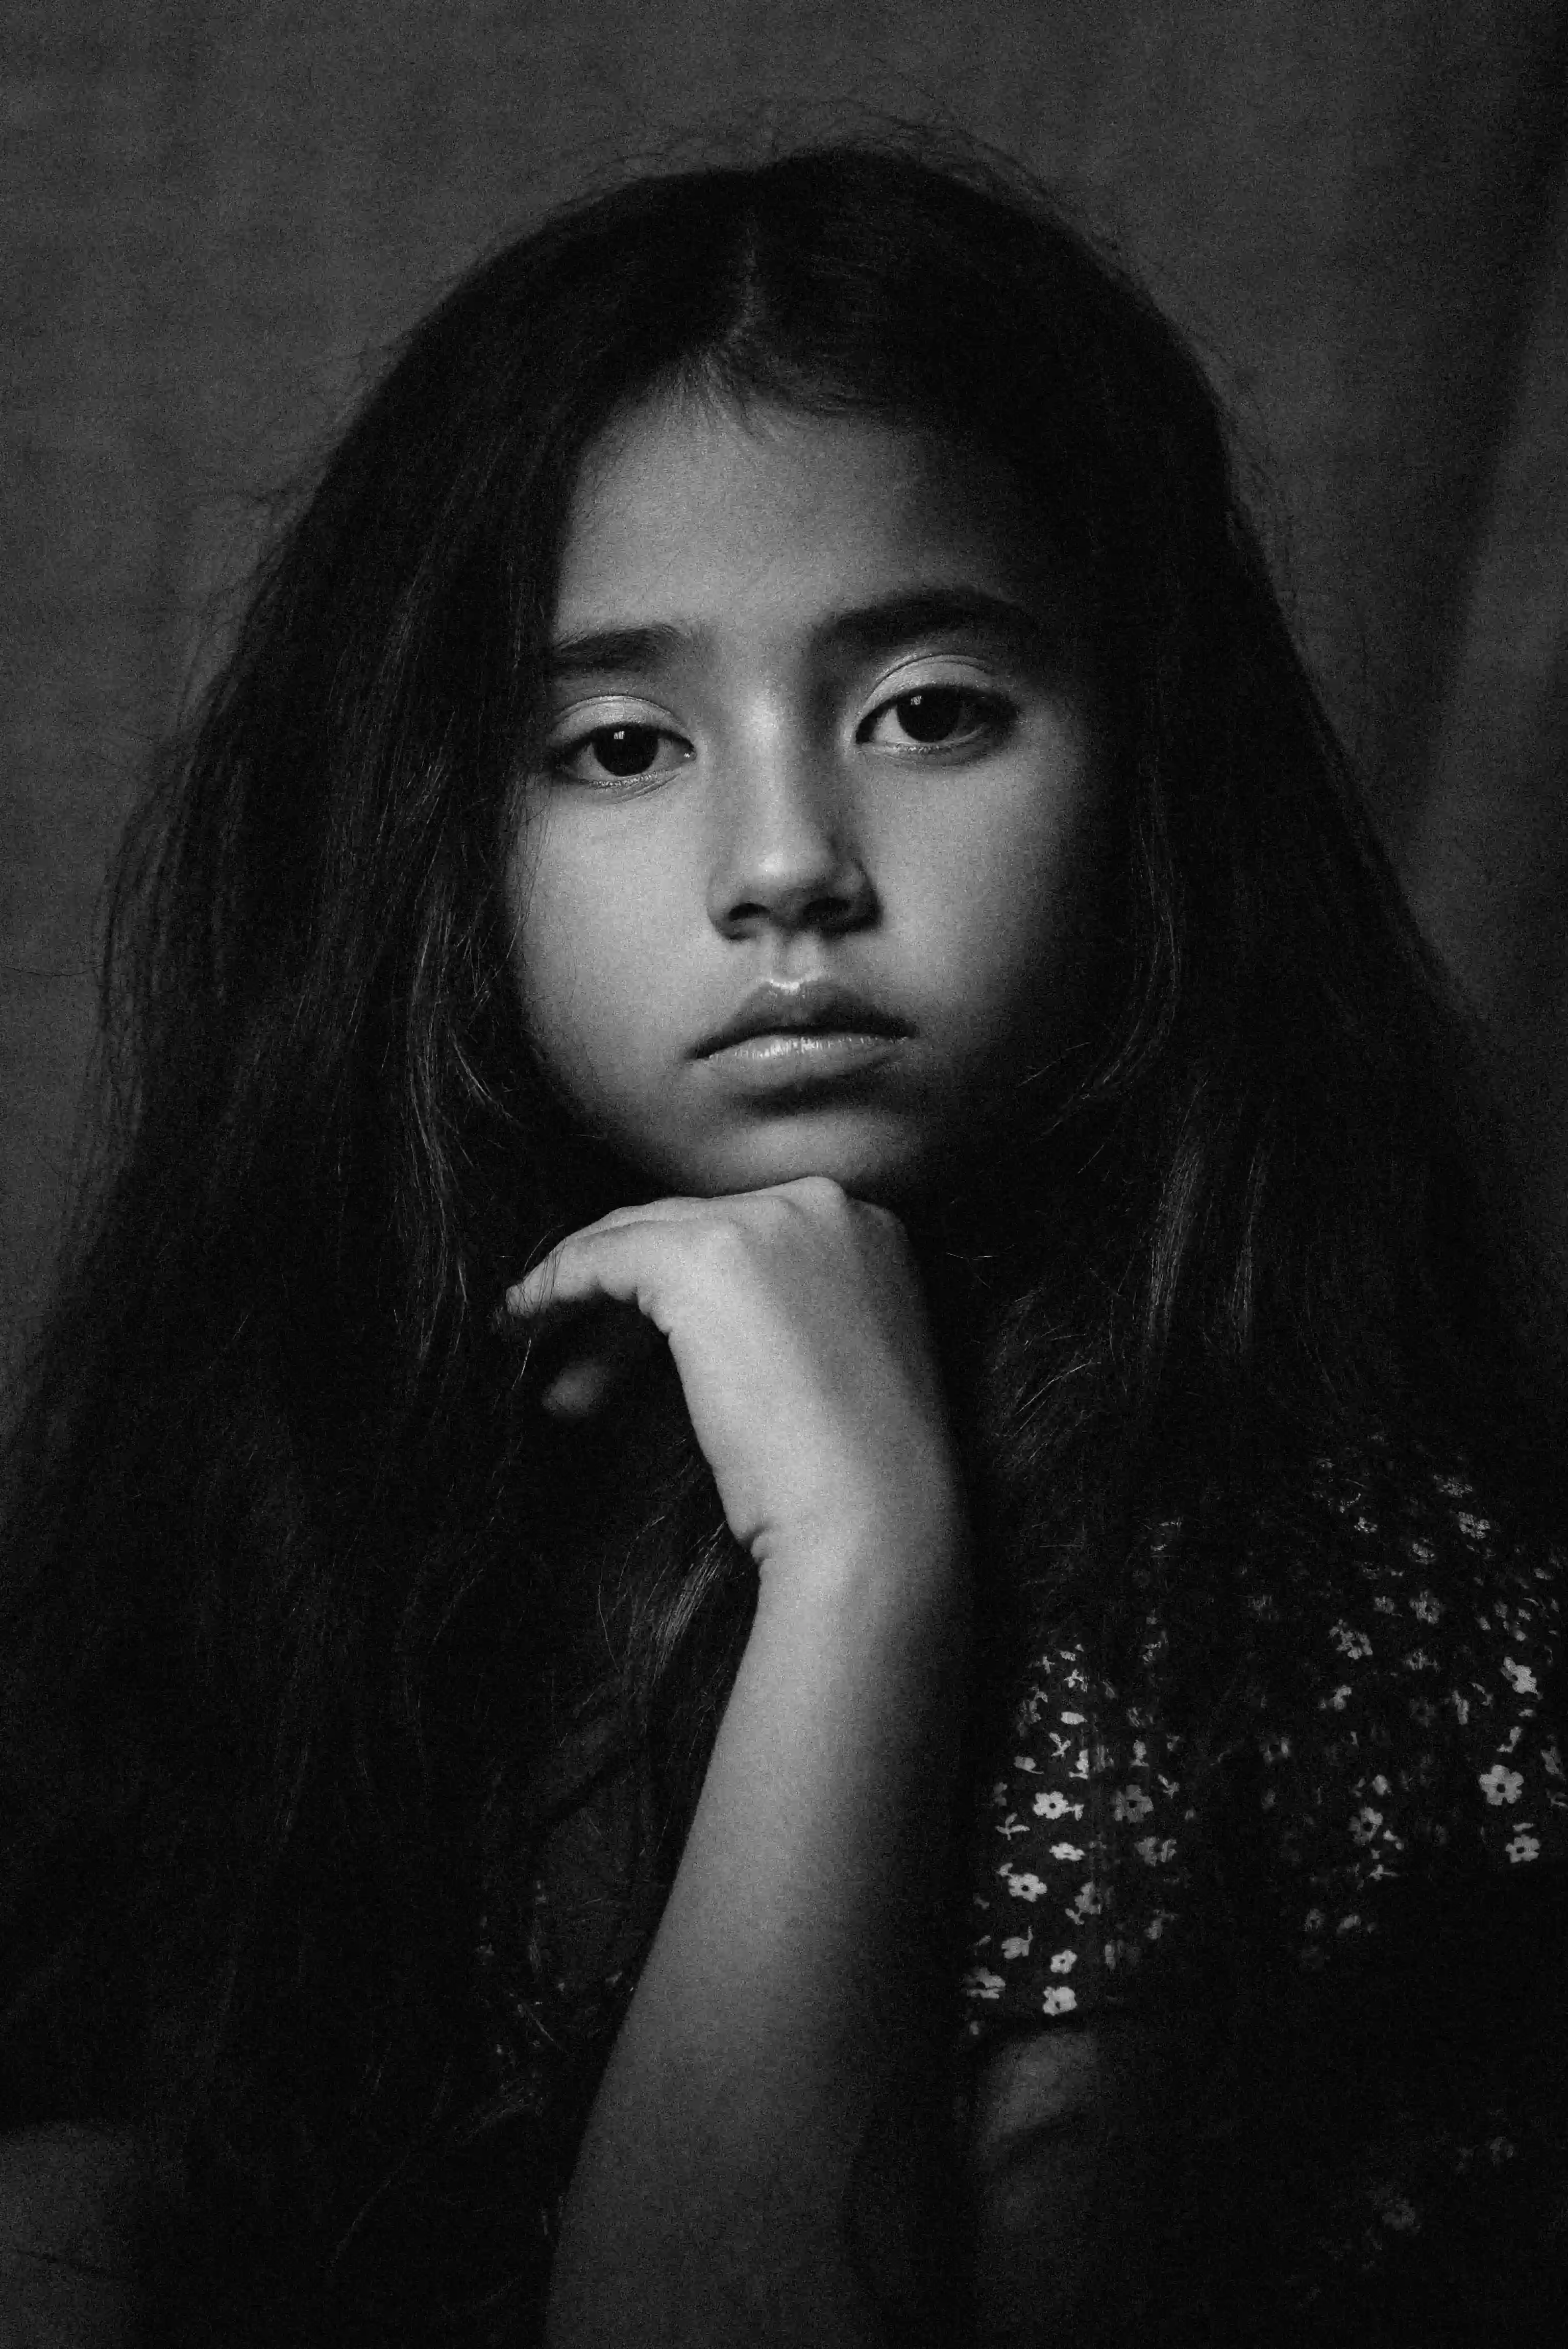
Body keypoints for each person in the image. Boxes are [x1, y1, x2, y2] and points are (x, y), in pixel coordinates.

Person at [1, 137, 1564, 2348]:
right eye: (622, 741)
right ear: (437, 839)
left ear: (1148, 774)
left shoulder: (1308, 1583)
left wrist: (863, 1555)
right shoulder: (376, 1473)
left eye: (926, 711)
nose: (785, 865)